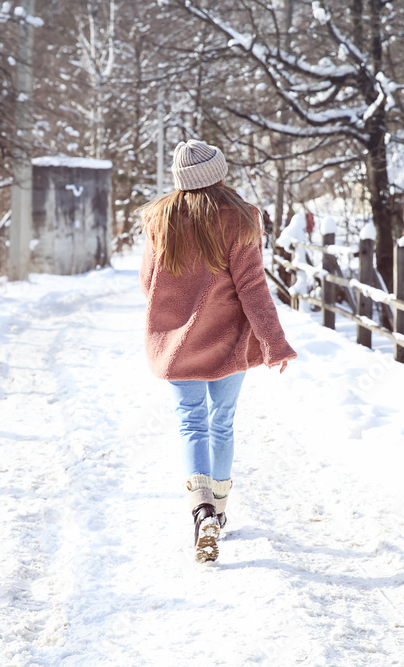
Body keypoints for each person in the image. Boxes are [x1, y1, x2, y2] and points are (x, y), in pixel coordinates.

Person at [139, 139, 297, 563]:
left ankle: (201, 510)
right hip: (228, 340)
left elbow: (148, 282)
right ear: (220, 173)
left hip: (178, 343)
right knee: (221, 422)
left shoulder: (161, 219)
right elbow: (252, 287)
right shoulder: (242, 218)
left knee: (192, 423)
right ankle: (220, 514)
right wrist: (273, 342)